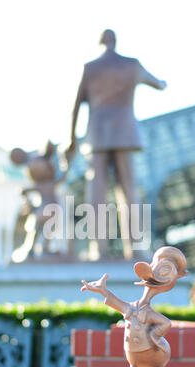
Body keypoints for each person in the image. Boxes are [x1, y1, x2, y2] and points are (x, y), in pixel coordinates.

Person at [66, 29, 167, 259]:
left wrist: (72, 139)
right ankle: (135, 247)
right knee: (129, 189)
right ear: (115, 41)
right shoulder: (131, 65)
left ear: (100, 42)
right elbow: (158, 84)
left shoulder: (90, 68)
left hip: (98, 134)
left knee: (97, 190)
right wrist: (164, 82)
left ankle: (97, 248)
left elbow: (74, 107)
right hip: (124, 133)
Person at [81, 246, 188, 367]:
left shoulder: (148, 313)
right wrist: (102, 290)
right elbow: (117, 302)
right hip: (133, 353)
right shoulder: (132, 307)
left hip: (155, 354)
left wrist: (154, 335)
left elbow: (166, 323)